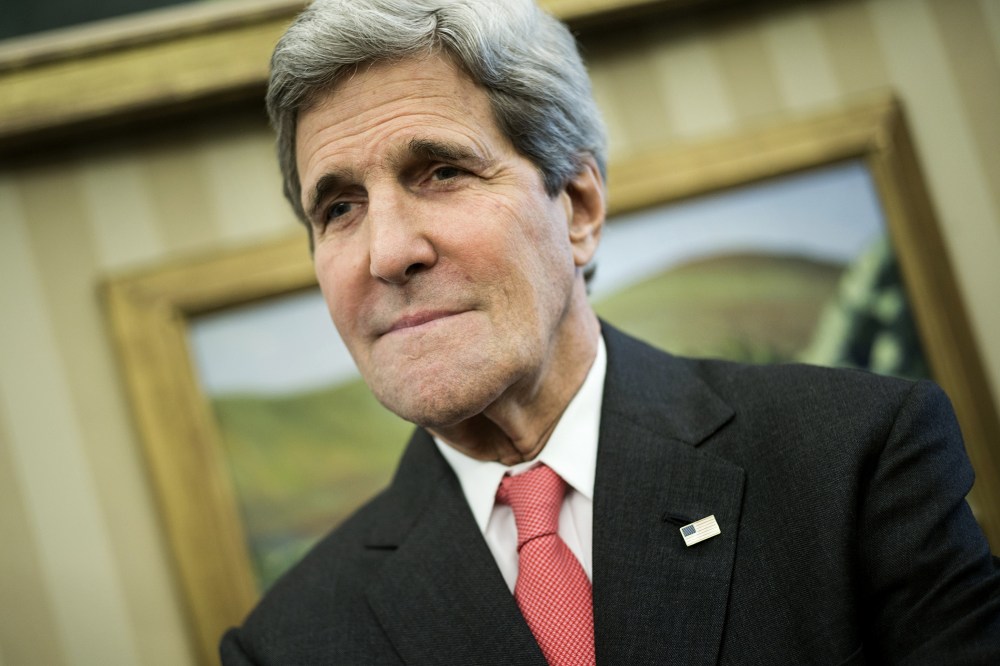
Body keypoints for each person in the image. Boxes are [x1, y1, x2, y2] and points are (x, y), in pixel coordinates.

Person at [220, 0, 1000, 663]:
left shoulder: (853, 458)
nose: (388, 252)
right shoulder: (288, 644)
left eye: (442, 171)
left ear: (579, 207)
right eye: (339, 208)